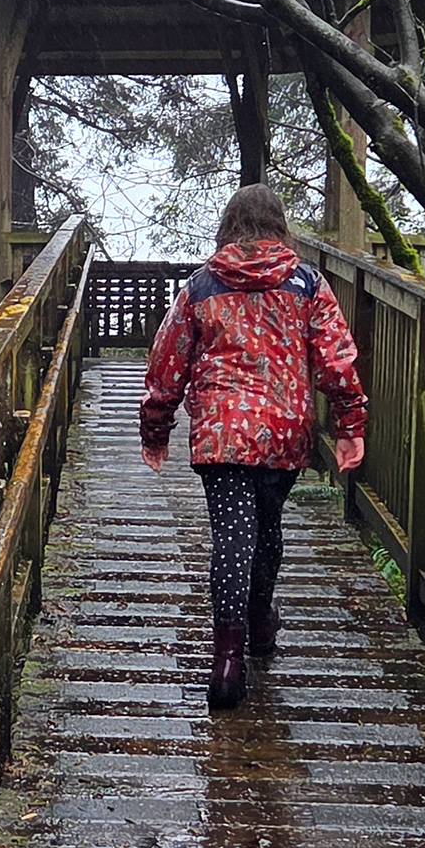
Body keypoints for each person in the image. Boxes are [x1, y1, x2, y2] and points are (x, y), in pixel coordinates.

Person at [139, 184, 368, 710]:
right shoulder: (308, 282)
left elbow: (166, 365)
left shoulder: (200, 286)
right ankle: (261, 618)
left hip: (220, 432)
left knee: (231, 538)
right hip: (285, 431)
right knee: (266, 529)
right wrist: (351, 423)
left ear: (229, 226)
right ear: (279, 226)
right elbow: (336, 359)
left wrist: (157, 430)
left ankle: (226, 661)